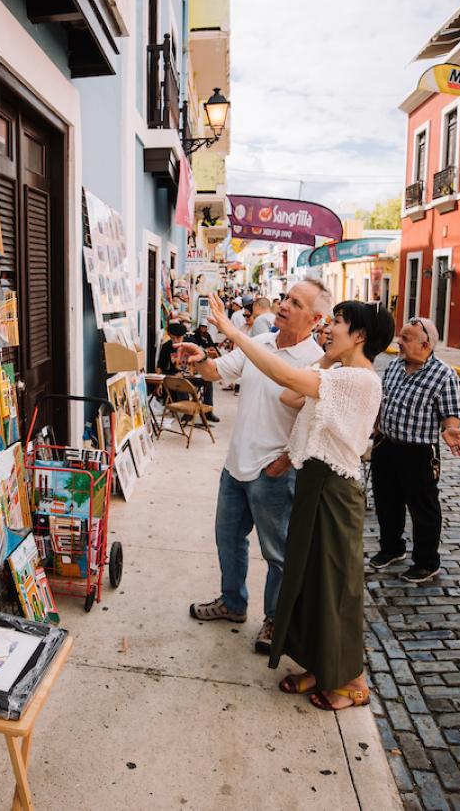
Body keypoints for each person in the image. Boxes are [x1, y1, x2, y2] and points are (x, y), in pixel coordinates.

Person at [198, 294, 396, 712]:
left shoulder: (359, 380)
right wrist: (325, 360)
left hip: (335, 490)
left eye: (339, 323)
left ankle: (353, 682)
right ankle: (320, 666)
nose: (330, 329)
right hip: (314, 484)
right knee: (308, 584)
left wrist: (234, 332)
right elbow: (291, 400)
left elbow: (287, 382)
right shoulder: (337, 373)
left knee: (335, 588)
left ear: (359, 335)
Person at [181, 279, 331, 653]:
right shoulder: (258, 344)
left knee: (277, 553)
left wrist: (283, 463)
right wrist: (200, 359)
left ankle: (275, 619)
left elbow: (312, 425)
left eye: (295, 303)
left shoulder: (317, 361)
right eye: (284, 298)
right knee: (228, 540)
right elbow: (217, 373)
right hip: (236, 466)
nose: (283, 305)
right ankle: (233, 604)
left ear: (314, 318)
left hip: (274, 473)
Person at [369, 317, 460, 584]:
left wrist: (450, 429)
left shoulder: (443, 374)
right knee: (385, 501)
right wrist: (376, 427)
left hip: (419, 452)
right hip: (386, 446)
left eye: (405, 338)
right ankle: (392, 548)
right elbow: (383, 399)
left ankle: (427, 562)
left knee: (423, 509)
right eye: (400, 336)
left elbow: (451, 413)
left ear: (425, 344)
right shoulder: (393, 366)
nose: (399, 342)